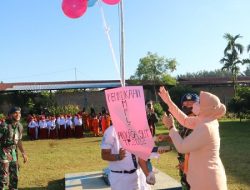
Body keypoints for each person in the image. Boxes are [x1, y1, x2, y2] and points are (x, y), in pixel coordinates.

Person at [158, 87, 227, 190]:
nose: (194, 105)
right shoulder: (206, 119)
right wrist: (169, 102)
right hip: (203, 178)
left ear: (206, 108)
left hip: (207, 181)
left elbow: (182, 147)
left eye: (199, 103)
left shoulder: (206, 126)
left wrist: (171, 127)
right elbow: (185, 120)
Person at [158, 93, 199, 190]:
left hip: (195, 173)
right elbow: (181, 137)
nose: (188, 105)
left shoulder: (199, 125)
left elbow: (197, 150)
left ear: (198, 105)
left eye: (191, 103)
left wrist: (170, 126)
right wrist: (166, 138)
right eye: (185, 102)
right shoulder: (185, 123)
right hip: (185, 171)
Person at [101, 125, 155, 190]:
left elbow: (140, 157)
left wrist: (148, 175)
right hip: (120, 178)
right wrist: (118, 156)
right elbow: (104, 155)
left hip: (136, 175)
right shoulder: (111, 130)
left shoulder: (137, 129)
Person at [0, 106, 28, 189]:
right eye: (15, 113)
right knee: (3, 177)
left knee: (15, 175)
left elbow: (19, 141)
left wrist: (23, 153)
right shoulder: (4, 126)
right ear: (10, 115)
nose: (18, 114)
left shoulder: (20, 126)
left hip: (13, 153)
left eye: (19, 113)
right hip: (3, 152)